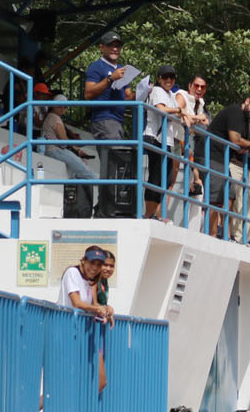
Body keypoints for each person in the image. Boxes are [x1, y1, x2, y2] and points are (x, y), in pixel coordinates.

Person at [83, 31, 135, 216]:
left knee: (116, 165)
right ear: (102, 47)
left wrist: (144, 93)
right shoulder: (96, 67)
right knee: (113, 164)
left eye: (118, 45)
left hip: (118, 121)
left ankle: (103, 207)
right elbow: (88, 94)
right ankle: (104, 210)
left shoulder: (122, 69)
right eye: (111, 45)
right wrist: (110, 78)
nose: (115, 48)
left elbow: (128, 98)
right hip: (104, 119)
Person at [206, 94, 250, 242]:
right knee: (216, 198)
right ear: (247, 101)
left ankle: (227, 235)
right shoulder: (235, 111)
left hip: (222, 159)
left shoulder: (244, 119)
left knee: (230, 197)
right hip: (211, 155)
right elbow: (235, 139)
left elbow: (239, 145)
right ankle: (212, 235)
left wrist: (245, 146)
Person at [142, 65, 182, 219]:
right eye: (165, 77)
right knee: (156, 177)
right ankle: (148, 214)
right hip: (155, 138)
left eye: (172, 77)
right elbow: (161, 109)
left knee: (166, 179)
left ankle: (157, 215)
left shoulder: (171, 95)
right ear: (159, 79)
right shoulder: (158, 91)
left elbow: (178, 113)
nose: (169, 80)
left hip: (167, 140)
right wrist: (180, 111)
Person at [57, 246, 114, 322]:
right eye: (92, 262)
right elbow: (76, 304)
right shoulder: (72, 272)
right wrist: (97, 309)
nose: (95, 268)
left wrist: (106, 310)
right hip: (64, 323)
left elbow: (92, 305)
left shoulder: (90, 280)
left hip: (77, 326)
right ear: (83, 260)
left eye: (99, 265)